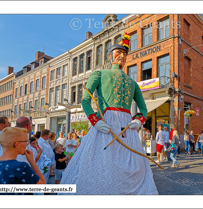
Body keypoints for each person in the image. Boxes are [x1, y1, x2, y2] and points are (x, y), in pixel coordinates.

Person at [59, 34, 158, 195]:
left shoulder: (133, 83)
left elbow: (143, 108)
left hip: (127, 128)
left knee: (135, 167)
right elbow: (85, 100)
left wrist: (139, 120)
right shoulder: (99, 74)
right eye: (118, 52)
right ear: (110, 56)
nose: (122, 56)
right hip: (105, 124)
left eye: (125, 54)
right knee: (98, 164)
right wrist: (95, 121)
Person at [0, 127, 45, 195]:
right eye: (26, 141)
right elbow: (42, 184)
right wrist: (32, 161)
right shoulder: (21, 167)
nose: (27, 144)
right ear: (17, 145)